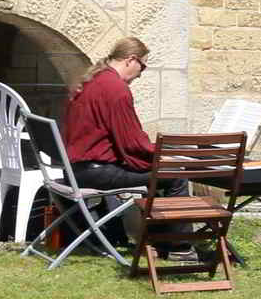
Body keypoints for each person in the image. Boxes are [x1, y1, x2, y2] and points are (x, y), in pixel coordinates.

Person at [62, 37, 192, 256]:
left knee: (162, 172)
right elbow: (132, 144)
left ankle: (157, 240)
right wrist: (162, 158)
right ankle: (180, 247)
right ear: (131, 60)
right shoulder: (115, 88)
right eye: (143, 65)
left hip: (79, 170)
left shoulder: (93, 81)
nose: (141, 73)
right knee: (174, 175)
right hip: (96, 172)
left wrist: (156, 157)